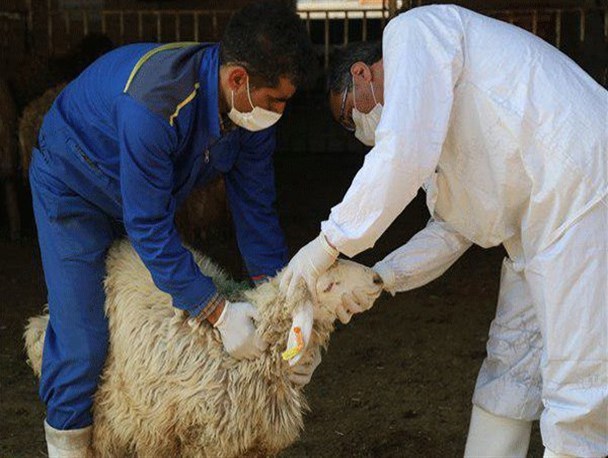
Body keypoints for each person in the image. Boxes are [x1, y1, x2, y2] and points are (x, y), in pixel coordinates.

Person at [280, 5, 607, 457]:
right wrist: (380, 277)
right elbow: (451, 230)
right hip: (541, 223)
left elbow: (400, 154)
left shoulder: (413, 33)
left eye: (349, 116)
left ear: (362, 73)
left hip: (584, 191)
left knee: (578, 385)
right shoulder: (435, 141)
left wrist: (327, 243)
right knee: (510, 361)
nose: (357, 130)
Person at [30, 2, 319, 456]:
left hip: (141, 193)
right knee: (83, 339)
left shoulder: (252, 118)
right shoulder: (158, 102)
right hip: (77, 186)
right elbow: (148, 228)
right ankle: (67, 447)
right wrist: (216, 311)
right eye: (276, 100)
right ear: (238, 79)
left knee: (148, 333)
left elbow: (256, 212)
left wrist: (284, 312)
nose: (280, 111)